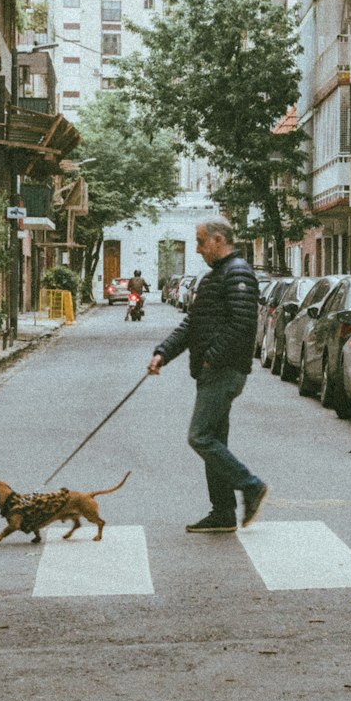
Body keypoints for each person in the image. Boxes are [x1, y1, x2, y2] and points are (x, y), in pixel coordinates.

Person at [147, 219, 268, 533]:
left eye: (201, 242)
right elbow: (192, 324)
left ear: (218, 239)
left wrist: (212, 360)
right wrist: (163, 352)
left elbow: (242, 325)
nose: (198, 249)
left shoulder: (237, 272)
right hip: (215, 370)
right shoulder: (216, 275)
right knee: (215, 441)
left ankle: (250, 484)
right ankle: (223, 512)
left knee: (199, 437)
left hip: (223, 371)